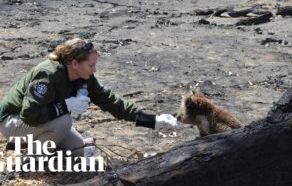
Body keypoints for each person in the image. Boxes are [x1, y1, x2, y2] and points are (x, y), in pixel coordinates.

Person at [0, 38, 177, 156]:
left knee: (81, 151)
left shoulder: (84, 77)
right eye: (91, 65)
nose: (94, 70)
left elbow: (111, 102)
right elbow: (29, 115)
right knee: (64, 122)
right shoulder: (48, 75)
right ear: (74, 63)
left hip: (41, 122)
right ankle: (33, 159)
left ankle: (33, 145)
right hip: (11, 122)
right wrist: (65, 106)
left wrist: (151, 120)